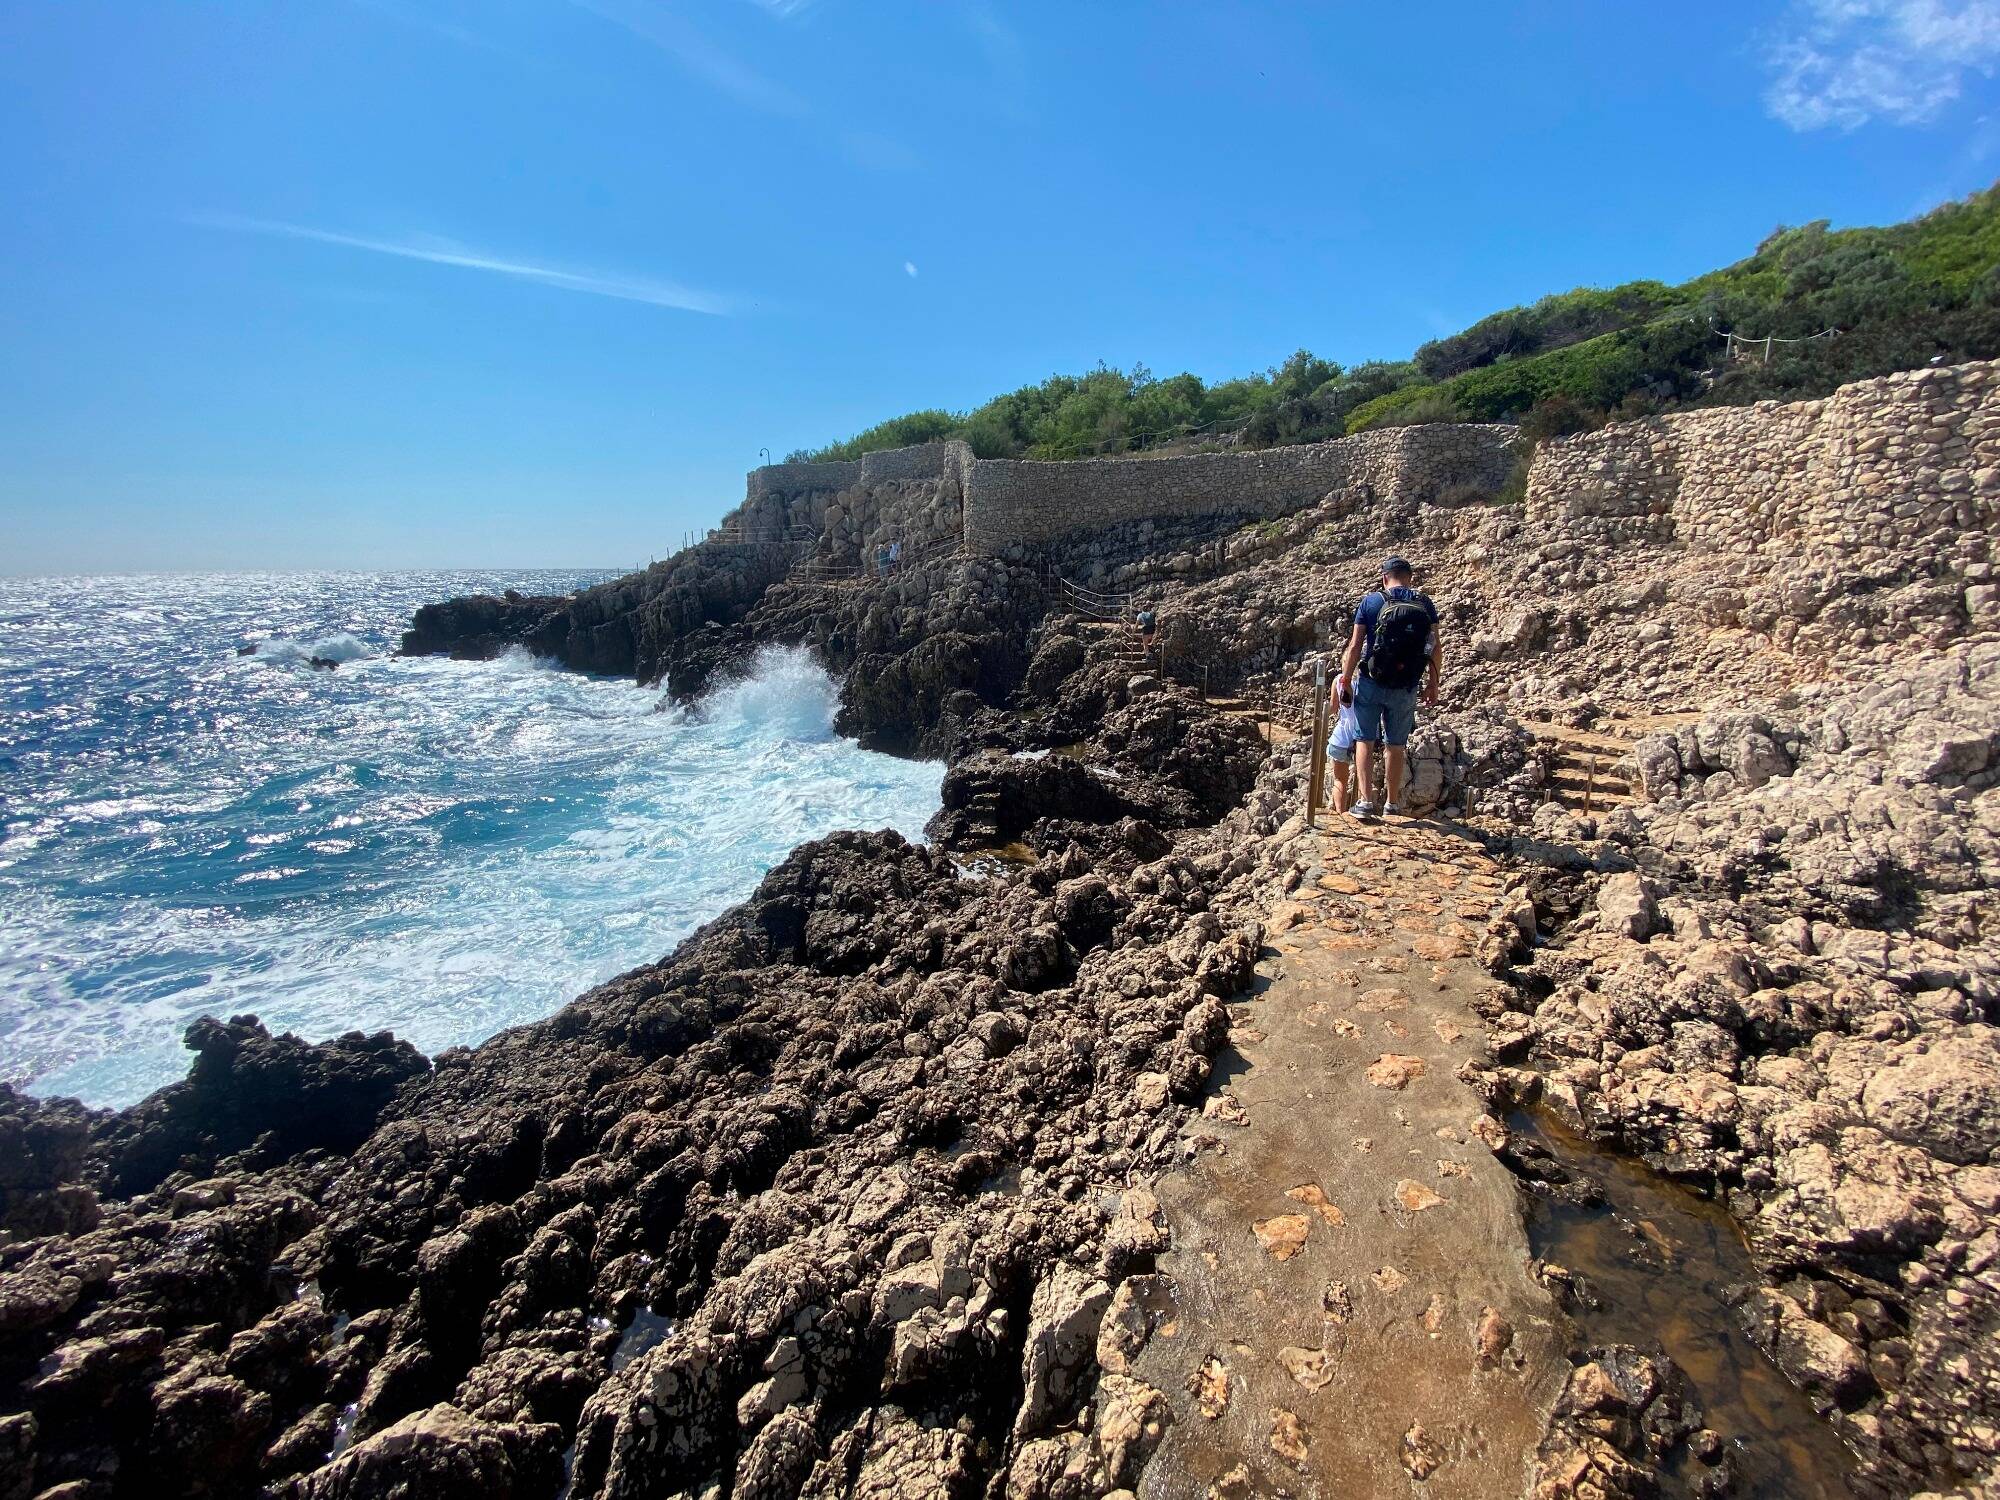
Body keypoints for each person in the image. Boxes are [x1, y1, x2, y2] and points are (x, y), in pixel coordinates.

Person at [1338, 556, 1440, 819]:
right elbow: (1434, 647)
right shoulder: (1425, 603)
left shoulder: (1371, 602)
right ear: (1410, 578)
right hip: (1406, 685)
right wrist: (1433, 683)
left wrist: (1346, 679)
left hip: (1371, 681)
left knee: (1364, 739)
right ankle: (1392, 804)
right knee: (1395, 745)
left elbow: (1355, 646)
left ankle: (1365, 802)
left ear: (1384, 577)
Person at [1326, 669, 1361, 813]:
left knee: (1340, 780)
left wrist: (1320, 714)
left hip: (1340, 738)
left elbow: (1333, 708)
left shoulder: (1339, 680)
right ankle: (1362, 810)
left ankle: (1341, 813)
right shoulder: (1368, 681)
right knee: (1362, 779)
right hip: (1362, 737)